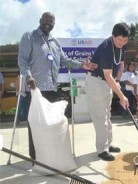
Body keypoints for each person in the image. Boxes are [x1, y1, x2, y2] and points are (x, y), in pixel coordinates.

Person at [18, 12, 97, 160]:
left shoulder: (55, 42)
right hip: (35, 89)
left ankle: (48, 155)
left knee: (51, 125)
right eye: (44, 20)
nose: (47, 23)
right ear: (40, 20)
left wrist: (82, 65)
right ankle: (36, 158)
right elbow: (22, 60)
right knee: (36, 125)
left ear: (54, 24)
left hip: (52, 89)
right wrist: (29, 76)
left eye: (50, 21)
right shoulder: (29, 36)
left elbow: (65, 61)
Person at [85, 22, 130, 161]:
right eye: (119, 40)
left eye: (125, 40)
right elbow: (107, 75)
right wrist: (122, 96)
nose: (122, 43)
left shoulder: (121, 47)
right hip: (96, 82)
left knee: (107, 115)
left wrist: (118, 81)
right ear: (113, 36)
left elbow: (120, 66)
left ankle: (108, 144)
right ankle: (102, 149)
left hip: (107, 82)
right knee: (100, 117)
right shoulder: (106, 48)